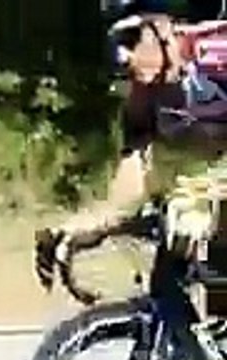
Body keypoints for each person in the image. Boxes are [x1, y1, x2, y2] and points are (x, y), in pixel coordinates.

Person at [39, 3, 227, 277]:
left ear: (163, 28)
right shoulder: (144, 95)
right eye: (114, 43)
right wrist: (88, 227)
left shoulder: (216, 55)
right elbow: (137, 173)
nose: (122, 56)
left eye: (131, 39)